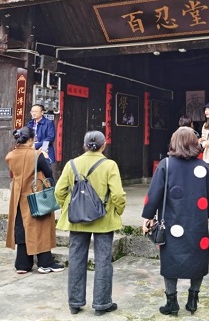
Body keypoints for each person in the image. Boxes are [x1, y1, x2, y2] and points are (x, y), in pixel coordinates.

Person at [142, 127, 209, 316]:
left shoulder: (166, 165)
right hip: (197, 222)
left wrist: (148, 217)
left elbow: (154, 194)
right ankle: (193, 300)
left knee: (171, 259)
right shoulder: (203, 167)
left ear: (174, 143)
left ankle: (171, 302)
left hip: (171, 221)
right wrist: (208, 217)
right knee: (198, 259)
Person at [55, 131, 126, 316]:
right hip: (104, 220)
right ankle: (102, 304)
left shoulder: (72, 164)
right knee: (103, 261)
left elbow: (59, 191)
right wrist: (117, 211)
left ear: (84, 145)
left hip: (77, 219)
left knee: (76, 259)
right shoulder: (109, 165)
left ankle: (75, 303)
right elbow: (118, 195)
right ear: (104, 145)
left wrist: (68, 207)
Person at [5, 126, 64, 274]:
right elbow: (48, 172)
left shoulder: (10, 156)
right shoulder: (37, 155)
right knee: (41, 226)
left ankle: (22, 264)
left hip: (18, 196)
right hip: (36, 195)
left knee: (21, 227)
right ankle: (45, 262)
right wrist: (45, 157)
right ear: (31, 139)